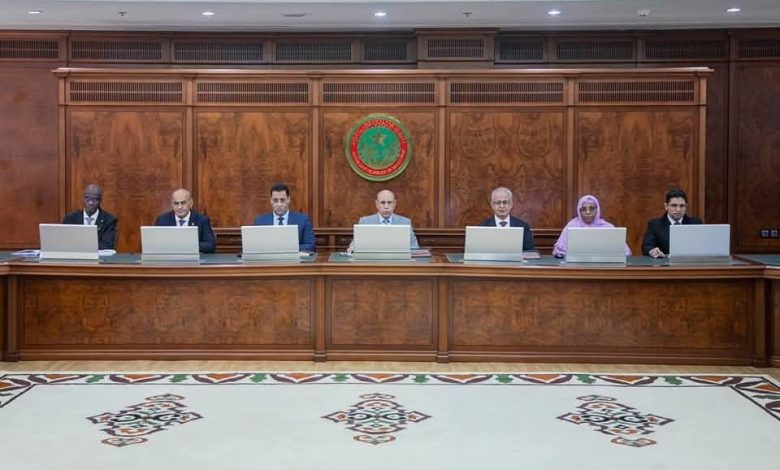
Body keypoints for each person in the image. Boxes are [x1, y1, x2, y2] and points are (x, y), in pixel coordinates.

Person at [553, 194, 632, 257]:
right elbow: (558, 251)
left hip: (604, 267)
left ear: (597, 210)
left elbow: (626, 252)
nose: (588, 212)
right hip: (576, 267)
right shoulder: (572, 226)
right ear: (579, 211)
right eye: (584, 209)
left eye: (591, 209)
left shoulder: (608, 227)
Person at [347, 189, 419, 253]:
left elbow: (415, 248)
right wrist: (352, 248)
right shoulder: (365, 222)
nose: (386, 206)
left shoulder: (405, 222)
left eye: (389, 202)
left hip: (397, 262)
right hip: (372, 261)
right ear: (377, 204)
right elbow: (354, 245)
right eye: (383, 202)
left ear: (394, 203)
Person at [253, 182, 316, 253]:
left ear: (288, 199)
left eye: (282, 200)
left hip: (293, 260)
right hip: (269, 260)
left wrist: (286, 249)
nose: (279, 204)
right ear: (270, 200)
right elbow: (254, 247)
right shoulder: (260, 221)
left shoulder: (303, 220)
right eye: (275, 200)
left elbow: (310, 246)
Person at [642, 189, 703, 258]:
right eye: (674, 205)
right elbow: (646, 246)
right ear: (666, 206)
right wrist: (652, 251)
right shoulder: (655, 224)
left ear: (686, 206)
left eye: (682, 206)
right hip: (664, 263)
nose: (678, 210)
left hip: (689, 262)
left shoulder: (695, 223)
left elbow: (702, 246)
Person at [154, 188, 216, 253]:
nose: (179, 207)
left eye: (183, 203)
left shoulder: (202, 220)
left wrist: (186, 245)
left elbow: (210, 246)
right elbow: (155, 244)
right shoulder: (162, 220)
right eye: (176, 203)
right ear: (172, 204)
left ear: (191, 203)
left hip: (192, 258)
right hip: (170, 257)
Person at [62, 184, 117, 250]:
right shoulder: (70, 218)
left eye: (95, 199)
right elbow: (64, 241)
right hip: (75, 254)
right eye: (88, 198)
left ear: (100, 201)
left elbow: (107, 245)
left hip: (98, 255)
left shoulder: (109, 220)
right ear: (83, 199)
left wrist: (83, 247)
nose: (91, 203)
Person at [480, 186, 536, 251]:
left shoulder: (523, 226)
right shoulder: (483, 226)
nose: (502, 206)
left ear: (511, 205)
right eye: (498, 203)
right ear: (492, 205)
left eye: (505, 202)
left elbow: (530, 251)